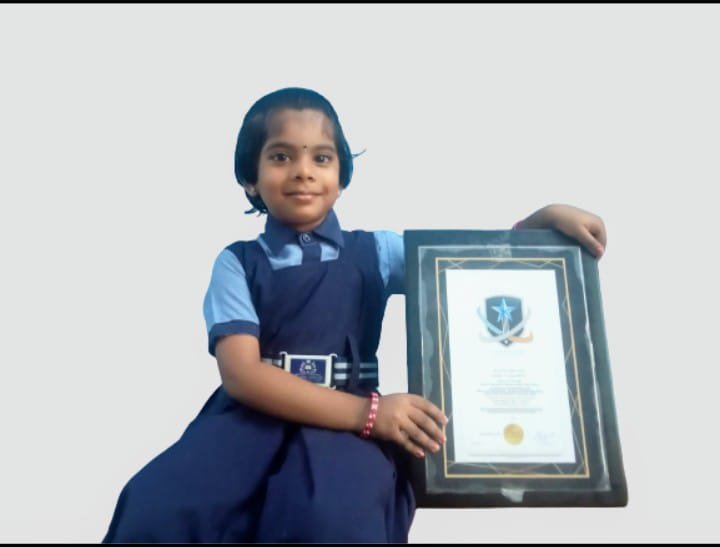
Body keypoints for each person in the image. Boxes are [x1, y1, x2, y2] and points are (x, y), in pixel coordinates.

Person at [102, 87, 607, 543]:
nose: (302, 171)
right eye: (280, 156)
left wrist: (537, 226)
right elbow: (243, 375)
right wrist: (372, 414)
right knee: (157, 509)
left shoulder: (376, 253)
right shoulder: (237, 263)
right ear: (250, 179)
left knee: (329, 517)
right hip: (256, 422)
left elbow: (466, 270)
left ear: (341, 176)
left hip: (346, 437)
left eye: (320, 157)